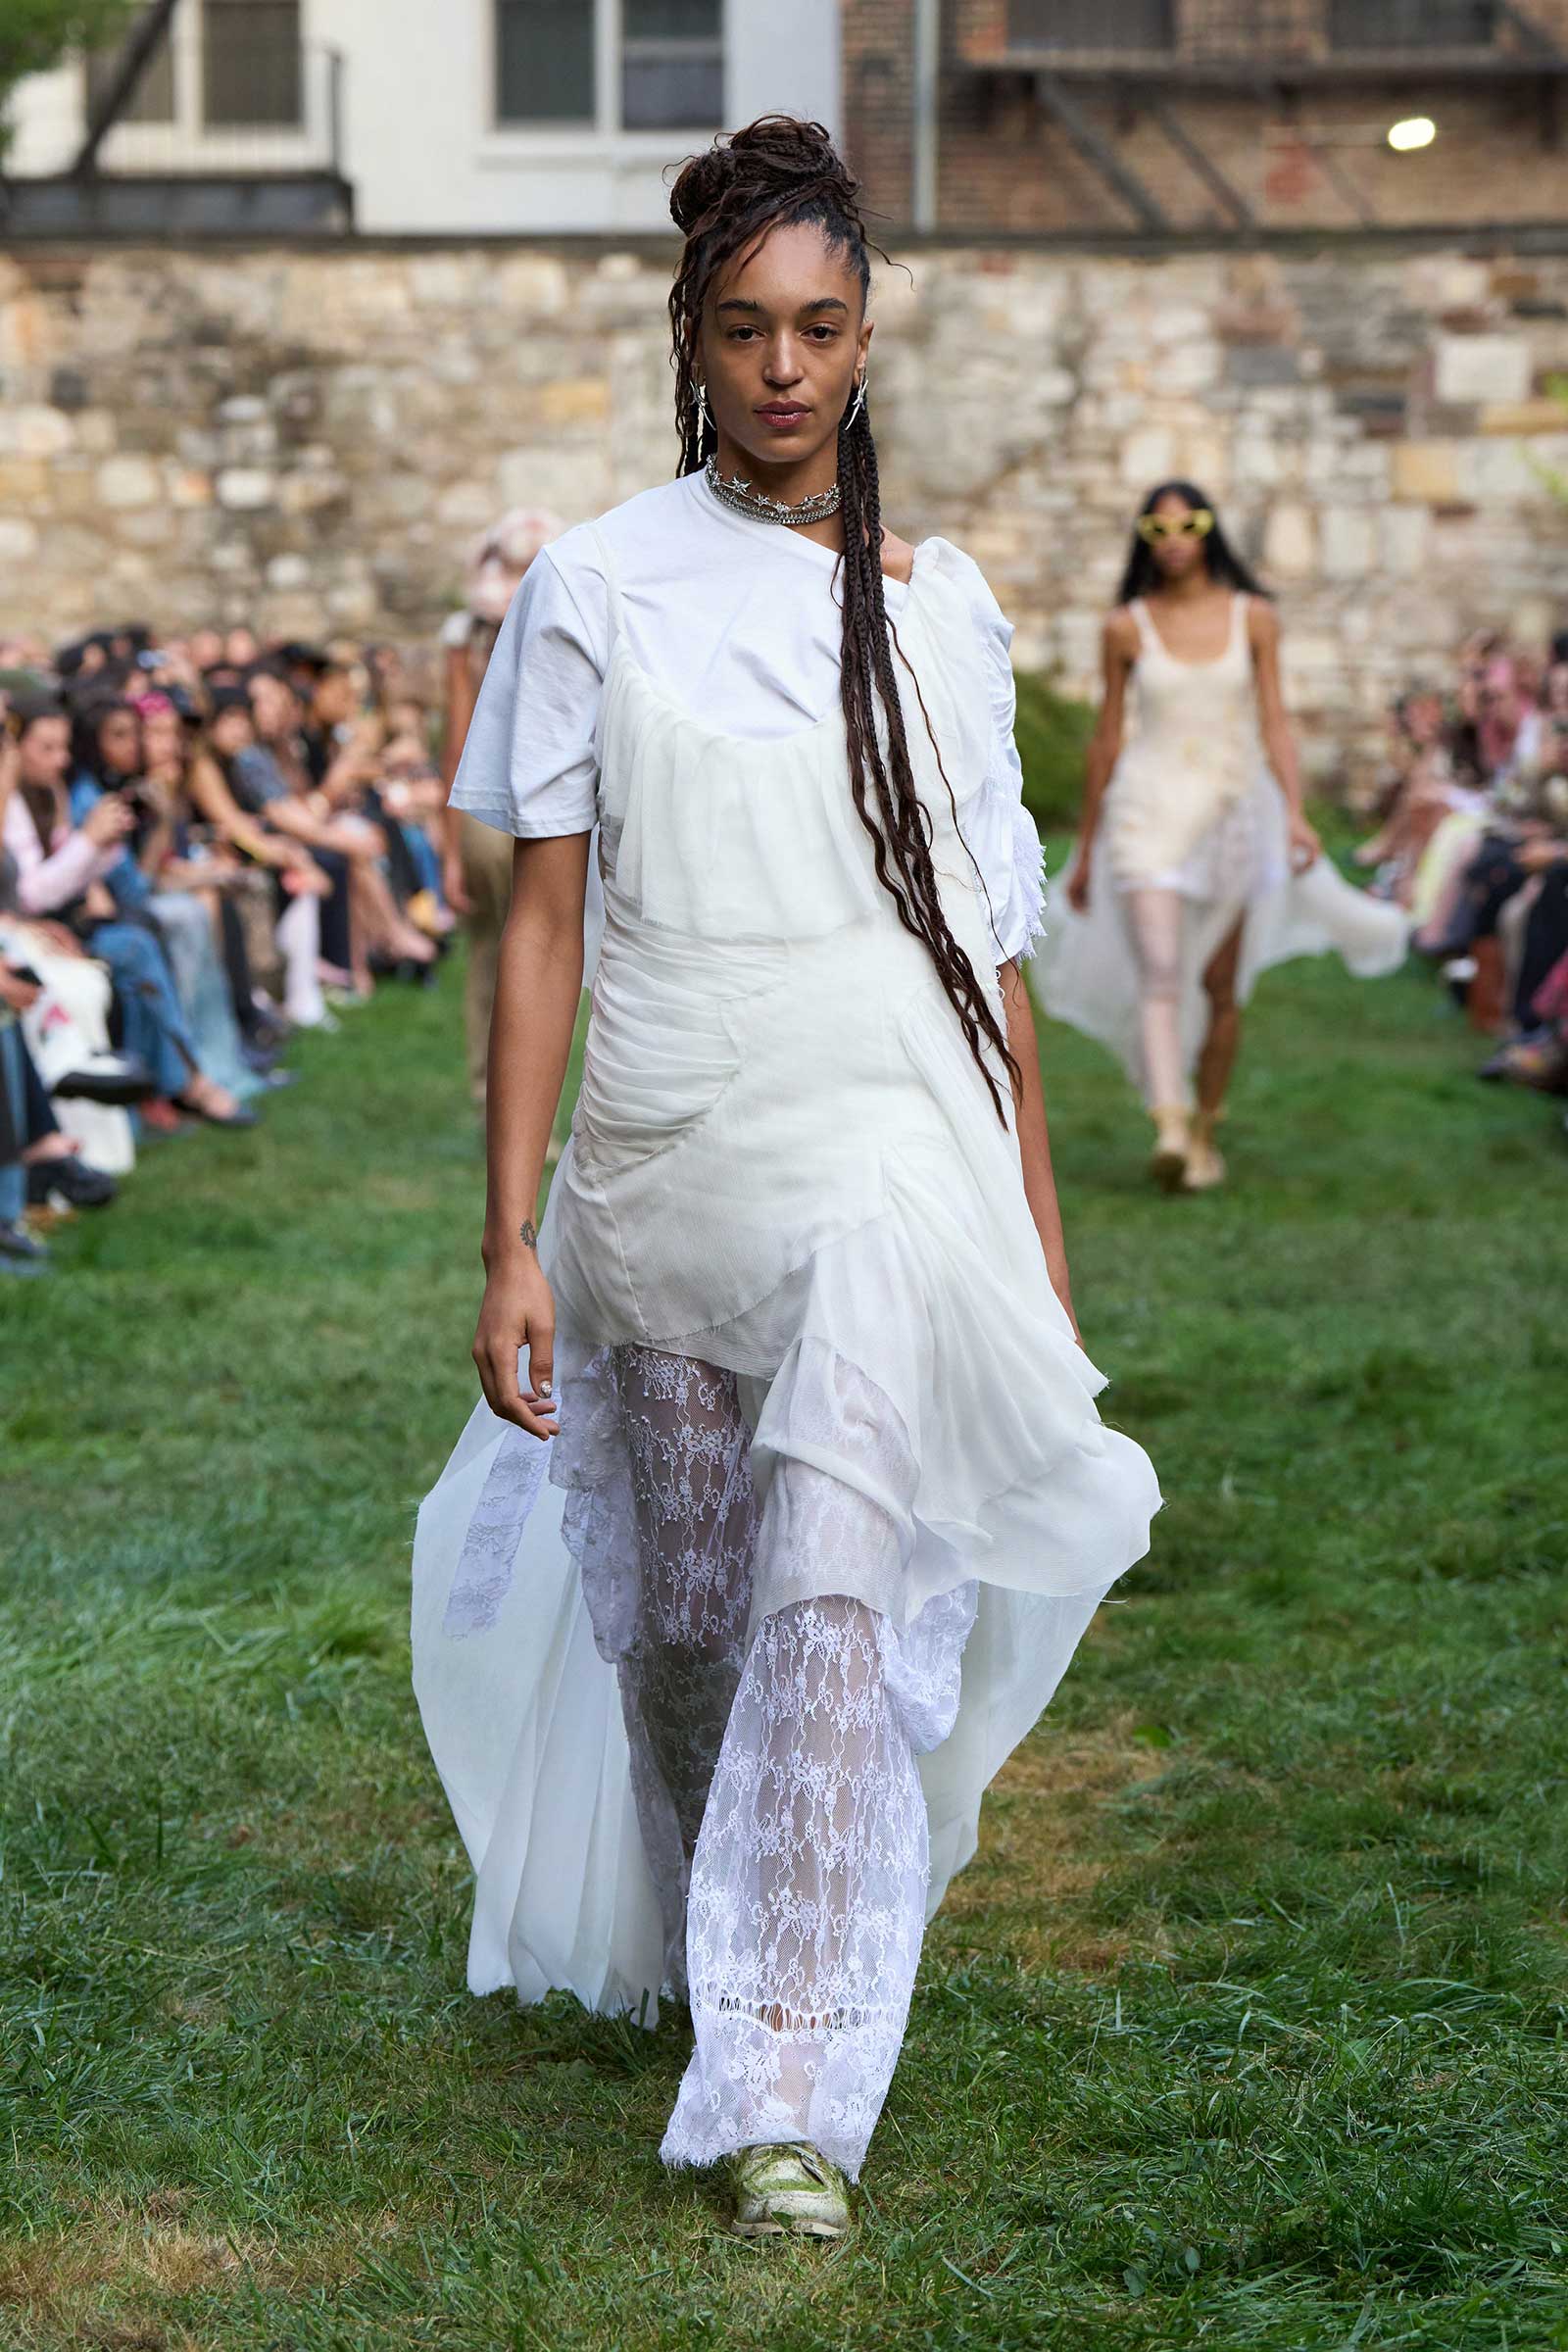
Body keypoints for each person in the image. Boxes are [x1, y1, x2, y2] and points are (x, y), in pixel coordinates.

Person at [412, 117, 1160, 2241]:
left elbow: (985, 957)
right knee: (687, 1626)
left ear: (866, 337)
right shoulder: (597, 584)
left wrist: (1032, 1239)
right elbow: (541, 924)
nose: (782, 367)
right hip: (661, 1160)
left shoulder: (940, 610)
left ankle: (789, 2094)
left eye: (820, 326)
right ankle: (713, 1939)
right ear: (691, 334)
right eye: (744, 327)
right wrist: (506, 1235)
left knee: (828, 1607)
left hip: (881, 1158)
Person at [1041, 482, 1407, 1190]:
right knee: (1161, 972)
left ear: (1209, 530)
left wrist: (1295, 812)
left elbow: (1275, 721)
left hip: (1232, 814)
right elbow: (1107, 739)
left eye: (1189, 524)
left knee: (1219, 984)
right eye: (1159, 528)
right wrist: (1085, 851)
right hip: (1146, 812)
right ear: (1145, 538)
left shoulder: (1254, 617)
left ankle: (1206, 1127)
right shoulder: (1125, 627)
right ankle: (1170, 1126)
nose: (1175, 539)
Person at [438, 507, 564, 1112]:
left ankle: (507, 1089)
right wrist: (449, 848)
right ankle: (506, 1093)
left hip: (535, 799)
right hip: (509, 802)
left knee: (523, 947)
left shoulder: (486, 627)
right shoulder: (473, 634)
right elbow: (457, 741)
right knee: (517, 946)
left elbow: (457, 742)